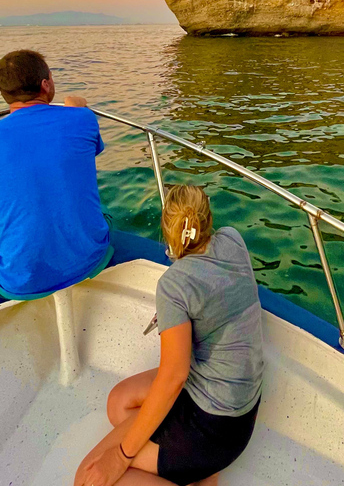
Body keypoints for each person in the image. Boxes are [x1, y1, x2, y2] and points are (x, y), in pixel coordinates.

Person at [74, 185, 264, 486]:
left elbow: (174, 375)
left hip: (214, 427)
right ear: (207, 218)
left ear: (167, 228)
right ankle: (197, 469)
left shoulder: (174, 285)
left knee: (88, 479)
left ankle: (197, 465)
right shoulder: (232, 239)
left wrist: (121, 456)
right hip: (240, 408)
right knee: (118, 404)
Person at [0, 49, 113, 300]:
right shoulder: (83, 119)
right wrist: (77, 105)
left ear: (4, 92)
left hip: (22, 284)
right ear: (46, 84)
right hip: (94, 259)